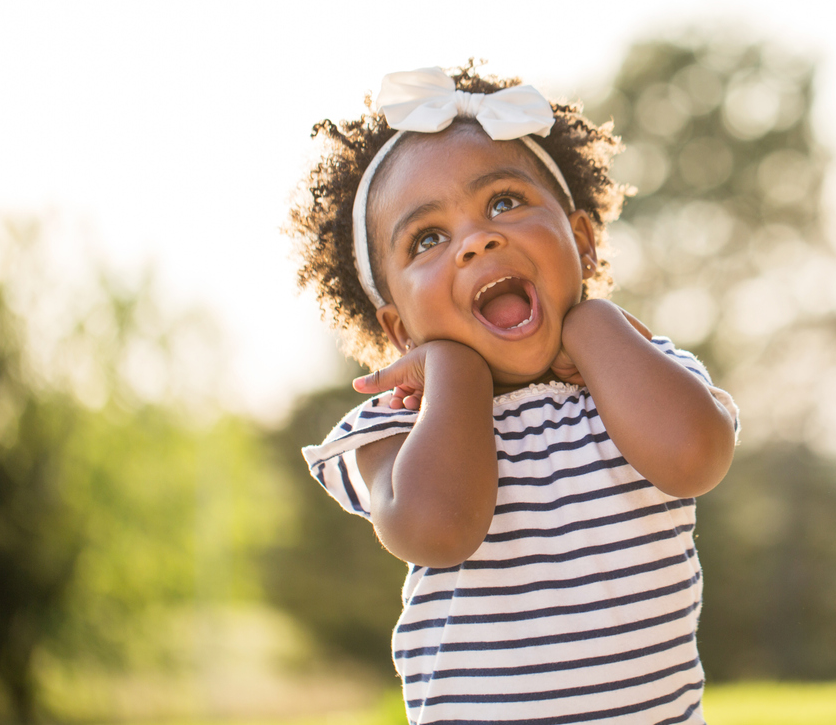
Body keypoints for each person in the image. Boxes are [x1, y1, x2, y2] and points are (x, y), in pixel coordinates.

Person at [288, 64, 738, 724]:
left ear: (582, 243)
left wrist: (596, 322)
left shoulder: (634, 375)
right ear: (399, 328)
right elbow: (437, 530)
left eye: (503, 202)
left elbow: (696, 457)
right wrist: (457, 377)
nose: (478, 240)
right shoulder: (396, 427)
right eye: (428, 239)